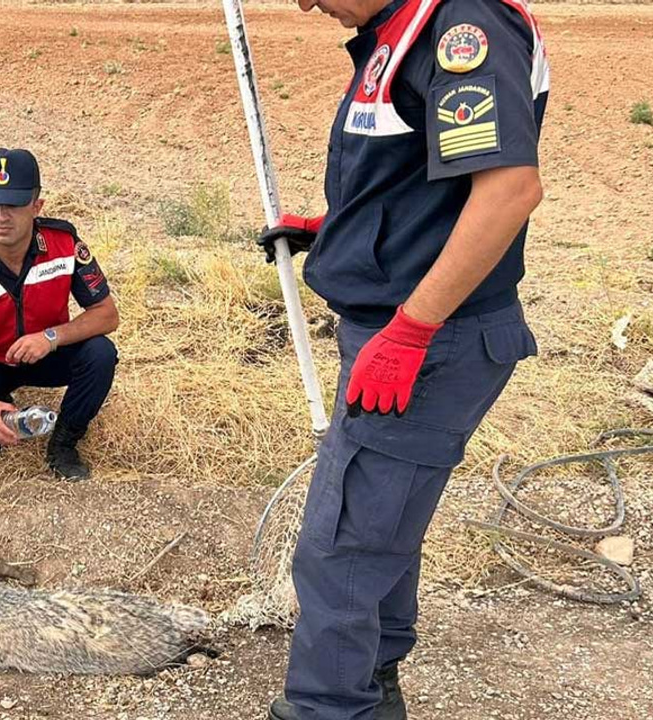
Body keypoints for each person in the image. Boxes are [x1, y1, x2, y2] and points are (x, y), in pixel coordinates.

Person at [258, 0, 548, 718]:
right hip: (400, 332)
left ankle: (332, 707)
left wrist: (413, 328)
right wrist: (340, 231)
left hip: (429, 344)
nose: (304, 3)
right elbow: (421, 183)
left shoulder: (461, 29)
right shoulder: (397, 32)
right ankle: (372, 682)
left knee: (340, 550)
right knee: (381, 531)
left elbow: (509, 190)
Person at [0, 148, 120, 481]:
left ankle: (64, 443)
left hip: (46, 355)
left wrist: (51, 337)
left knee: (101, 353)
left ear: (37, 206)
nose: (1, 216)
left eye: (13, 205)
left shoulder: (64, 244)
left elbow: (106, 315)